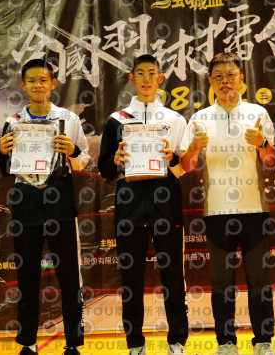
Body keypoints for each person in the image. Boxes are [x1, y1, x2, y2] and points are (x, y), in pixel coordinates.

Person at [180, 52, 275, 355]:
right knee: (221, 282)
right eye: (219, 77)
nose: (225, 82)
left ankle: (263, 341)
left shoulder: (257, 113)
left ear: (242, 79)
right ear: (211, 82)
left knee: (259, 279)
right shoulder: (199, 118)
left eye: (231, 75)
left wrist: (262, 143)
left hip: (254, 209)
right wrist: (193, 149)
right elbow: (185, 166)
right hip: (216, 211)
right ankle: (226, 343)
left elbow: (271, 161)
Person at [98, 54, 189, 355]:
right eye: (141, 73)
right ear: (132, 79)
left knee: (173, 276)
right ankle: (135, 343)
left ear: (160, 78)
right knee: (131, 278)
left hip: (167, 207)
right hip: (129, 208)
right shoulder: (117, 120)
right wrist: (116, 161)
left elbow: (184, 167)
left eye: (152, 73)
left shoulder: (175, 120)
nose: (147, 79)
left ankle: (177, 340)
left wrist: (172, 158)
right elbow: (105, 169)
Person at [0, 59, 90, 355]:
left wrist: (73, 151)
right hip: (26, 206)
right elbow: (6, 169)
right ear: (23, 85)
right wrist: (2, 152)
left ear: (53, 83)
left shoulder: (68, 119)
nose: (38, 85)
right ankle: (28, 342)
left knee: (69, 278)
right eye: (31, 80)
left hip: (60, 207)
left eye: (43, 80)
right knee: (27, 278)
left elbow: (84, 161)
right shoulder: (13, 121)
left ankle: (73, 343)